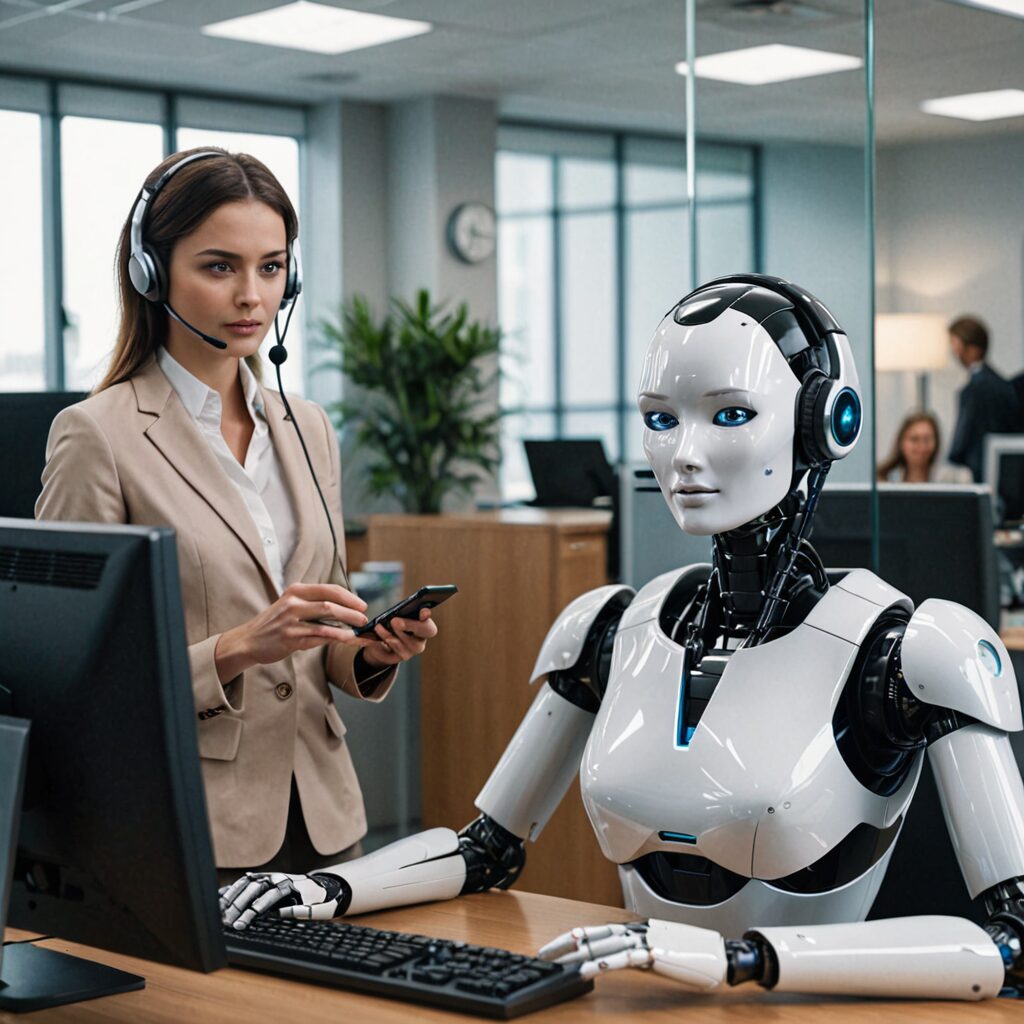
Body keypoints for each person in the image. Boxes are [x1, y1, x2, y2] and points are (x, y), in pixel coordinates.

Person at [223, 275, 1024, 1002]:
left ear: (826, 423)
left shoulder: (906, 652)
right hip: (642, 998)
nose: (684, 456)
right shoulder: (615, 626)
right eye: (661, 420)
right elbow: (486, 851)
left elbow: (1013, 943)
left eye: (731, 414)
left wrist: (743, 960)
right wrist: (332, 890)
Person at [35, 148, 438, 882]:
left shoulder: (308, 427)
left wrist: (370, 650)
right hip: (187, 824)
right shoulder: (99, 436)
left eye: (271, 267)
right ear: (151, 273)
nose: (252, 296)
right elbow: (67, 676)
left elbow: (318, 635)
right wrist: (237, 648)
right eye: (220, 267)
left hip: (323, 821)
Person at [947, 315, 1019, 482]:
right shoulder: (1000, 383)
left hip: (980, 471)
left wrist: (953, 458)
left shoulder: (976, 388)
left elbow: (963, 438)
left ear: (969, 347)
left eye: (955, 344)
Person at [877, 410, 972, 483]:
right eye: (914, 439)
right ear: (901, 442)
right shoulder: (884, 479)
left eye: (927, 440)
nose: (922, 447)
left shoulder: (954, 479)